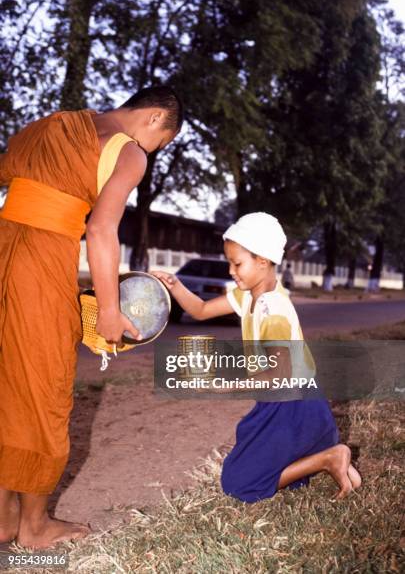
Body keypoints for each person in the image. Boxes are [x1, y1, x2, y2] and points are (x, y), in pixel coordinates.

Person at [0, 86, 183, 548]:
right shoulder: (129, 152)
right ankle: (34, 529)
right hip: (39, 268)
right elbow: (100, 229)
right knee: (43, 389)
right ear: (157, 116)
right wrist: (109, 311)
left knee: (5, 384)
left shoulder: (52, 124)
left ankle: (2, 517)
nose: (151, 151)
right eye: (160, 141)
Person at [152, 212, 361, 503]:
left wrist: (224, 384)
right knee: (247, 468)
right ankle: (321, 455)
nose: (230, 270)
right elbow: (199, 310)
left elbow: (279, 374)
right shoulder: (247, 295)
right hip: (280, 401)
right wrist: (174, 285)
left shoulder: (273, 310)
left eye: (237, 263)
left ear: (262, 261)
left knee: (239, 484)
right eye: (230, 262)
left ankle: (328, 458)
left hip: (294, 405)